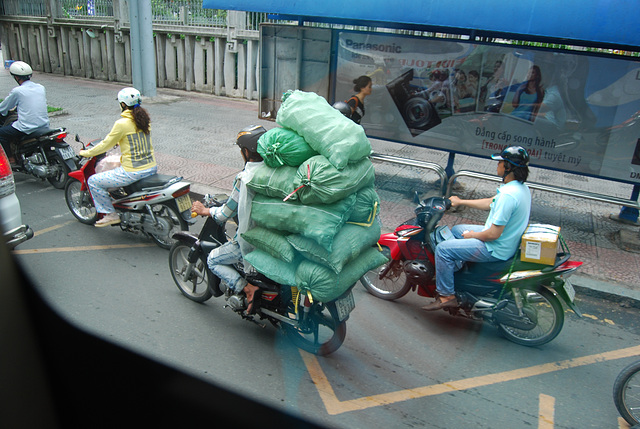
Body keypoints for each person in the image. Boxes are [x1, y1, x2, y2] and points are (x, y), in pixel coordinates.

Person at [423, 146, 532, 311]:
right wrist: (460, 201)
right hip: (507, 242)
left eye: (500, 163)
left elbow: (493, 234)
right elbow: (490, 202)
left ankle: (446, 296)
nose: (498, 166)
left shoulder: (508, 196)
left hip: (495, 248)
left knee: (443, 250)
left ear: (508, 167)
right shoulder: (520, 188)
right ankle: (456, 269)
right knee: (458, 229)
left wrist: (472, 236)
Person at [190, 125, 265, 314]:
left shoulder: (246, 178)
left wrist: (205, 210)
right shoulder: (275, 171)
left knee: (213, 260)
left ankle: (248, 289)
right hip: (270, 235)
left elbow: (226, 213)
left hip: (250, 240)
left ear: (246, 151)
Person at [78, 87, 157, 227]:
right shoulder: (144, 120)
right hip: (151, 167)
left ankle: (110, 214)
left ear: (123, 105)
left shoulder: (122, 123)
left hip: (133, 171)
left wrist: (86, 153)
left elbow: (105, 145)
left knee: (94, 181)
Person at [0, 61, 50, 161]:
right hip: (44, 125)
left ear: (16, 77)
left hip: (26, 128)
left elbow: (3, 108)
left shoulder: (17, 91)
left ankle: (10, 159)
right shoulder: (41, 87)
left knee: (1, 134)